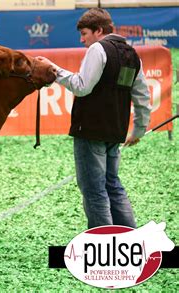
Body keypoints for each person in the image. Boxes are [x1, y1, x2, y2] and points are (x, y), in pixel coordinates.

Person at [38, 8, 151, 229]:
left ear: (99, 30)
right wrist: (138, 130)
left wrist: (54, 70)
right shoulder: (131, 54)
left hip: (91, 129)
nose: (82, 40)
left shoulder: (98, 49)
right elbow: (142, 95)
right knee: (113, 186)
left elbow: (82, 87)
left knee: (94, 190)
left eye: (85, 34)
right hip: (115, 130)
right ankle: (129, 238)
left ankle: (104, 243)